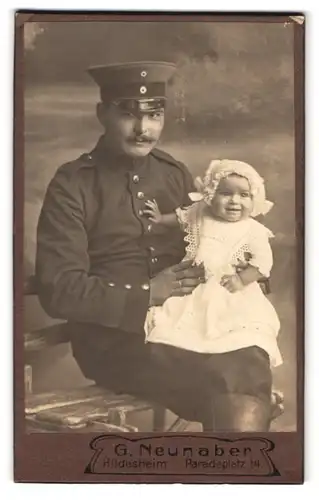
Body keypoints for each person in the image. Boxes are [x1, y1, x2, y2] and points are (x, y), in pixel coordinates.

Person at [36, 61, 281, 431]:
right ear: (102, 113)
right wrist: (150, 292)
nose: (143, 129)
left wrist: (237, 267)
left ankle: (234, 471)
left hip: (192, 322)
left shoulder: (172, 173)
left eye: (154, 114)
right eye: (128, 114)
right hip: (116, 340)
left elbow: (205, 239)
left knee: (247, 356)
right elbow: (59, 290)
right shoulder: (73, 184)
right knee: (233, 377)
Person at [144, 160, 282, 373]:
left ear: (255, 199)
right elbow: (182, 218)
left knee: (230, 329)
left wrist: (241, 279)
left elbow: (263, 263)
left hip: (228, 287)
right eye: (225, 193)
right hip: (193, 282)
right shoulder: (201, 212)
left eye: (244, 195)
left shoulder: (253, 230)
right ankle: (186, 368)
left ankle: (226, 368)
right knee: (181, 325)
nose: (235, 201)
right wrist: (161, 219)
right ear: (210, 194)